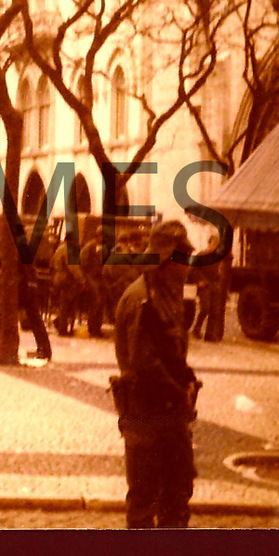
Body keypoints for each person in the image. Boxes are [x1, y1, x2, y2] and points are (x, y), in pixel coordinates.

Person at [111, 219, 201, 529]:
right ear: (165, 258)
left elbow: (170, 354)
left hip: (169, 415)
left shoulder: (165, 293)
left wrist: (187, 380)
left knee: (176, 495)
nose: (186, 267)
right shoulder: (143, 299)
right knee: (144, 501)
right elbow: (144, 364)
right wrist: (180, 392)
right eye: (181, 258)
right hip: (146, 414)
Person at [50, 233, 86, 337]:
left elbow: (52, 263)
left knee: (63, 304)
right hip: (66, 281)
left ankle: (60, 323)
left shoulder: (59, 249)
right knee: (67, 304)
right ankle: (62, 328)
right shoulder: (69, 251)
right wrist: (82, 280)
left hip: (58, 279)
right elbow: (73, 267)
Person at [80, 229, 108, 338]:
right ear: (97, 236)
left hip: (100, 278)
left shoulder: (104, 248)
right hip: (90, 277)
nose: (103, 238)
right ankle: (92, 328)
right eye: (102, 236)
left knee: (101, 303)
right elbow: (83, 264)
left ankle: (97, 327)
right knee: (96, 301)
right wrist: (85, 280)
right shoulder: (89, 248)